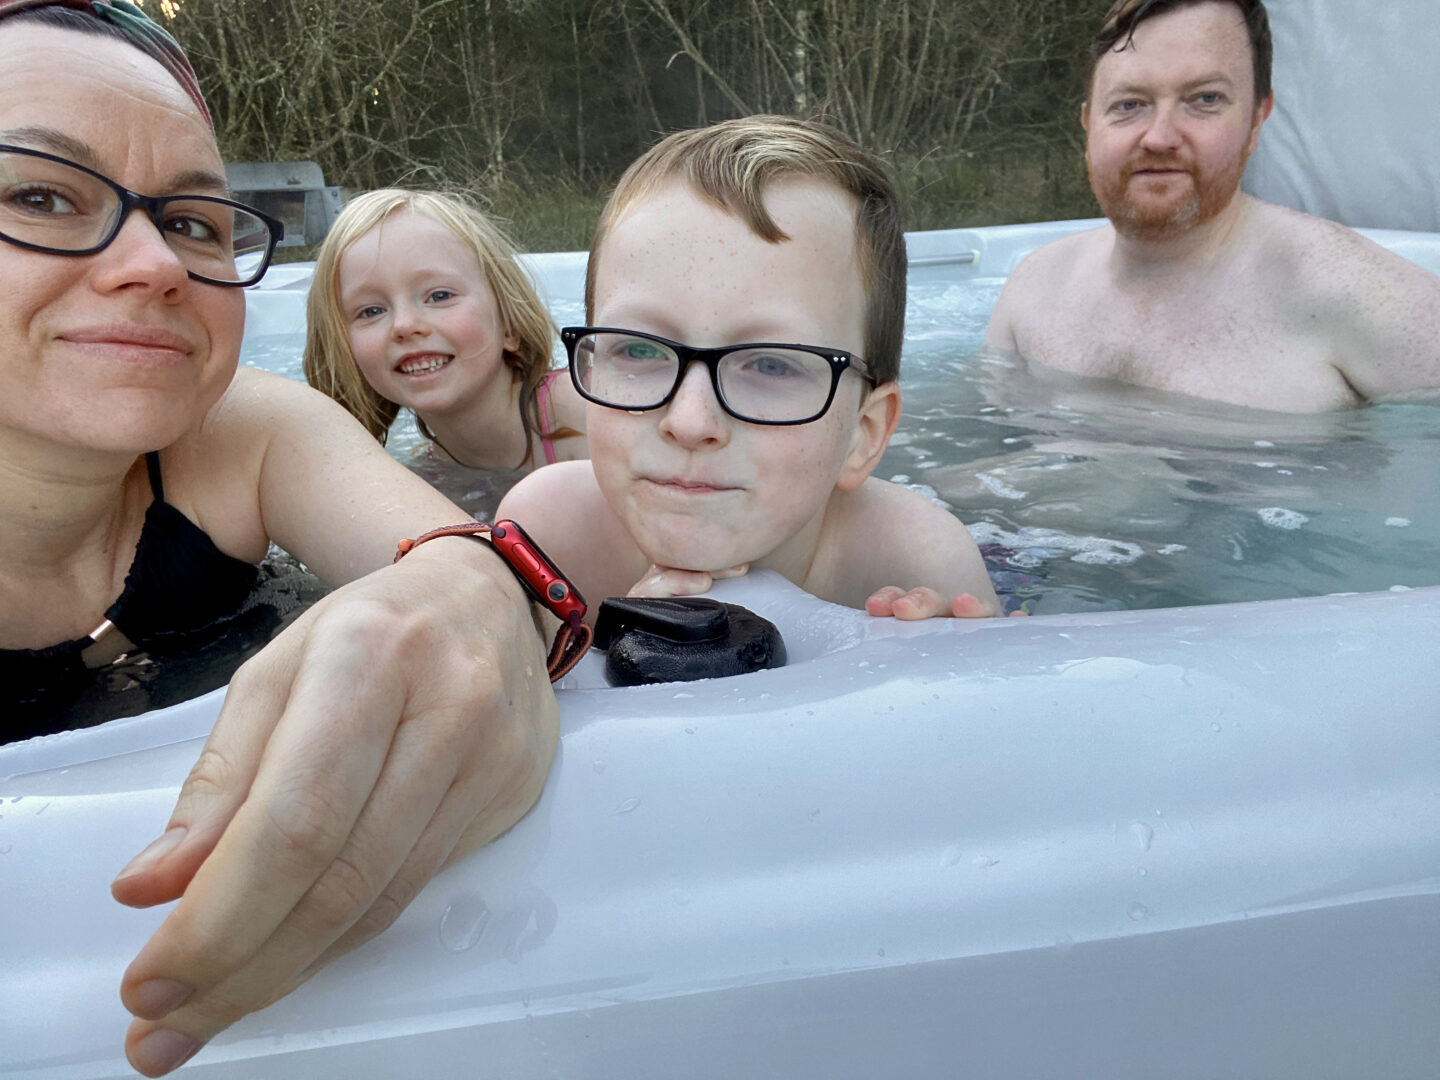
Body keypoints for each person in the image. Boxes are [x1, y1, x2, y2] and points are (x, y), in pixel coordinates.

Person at [0, 2, 559, 1075]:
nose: (154, 263)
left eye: (196, 222)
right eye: (38, 196)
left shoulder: (239, 431)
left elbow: (473, 567)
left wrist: (470, 604)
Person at [497, 116, 1003, 621]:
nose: (691, 423)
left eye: (770, 364)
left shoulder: (916, 563)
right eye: (639, 351)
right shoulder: (547, 537)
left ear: (863, 434)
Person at [984, 0, 1440, 413]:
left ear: (1257, 120)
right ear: (1089, 126)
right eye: (1129, 105)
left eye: (1204, 99)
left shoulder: (1369, 298)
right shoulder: (1032, 292)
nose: (1159, 136)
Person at [304, 189, 587, 493]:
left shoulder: (583, 413)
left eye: (439, 296)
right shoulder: (424, 482)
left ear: (509, 323)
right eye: (371, 311)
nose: (404, 325)